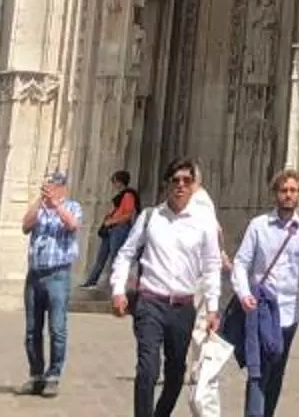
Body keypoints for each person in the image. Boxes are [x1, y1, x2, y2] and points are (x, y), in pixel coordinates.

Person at [111, 160, 226, 417]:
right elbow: (126, 253)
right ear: (167, 184)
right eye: (176, 180)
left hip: (183, 307)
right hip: (150, 302)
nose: (181, 186)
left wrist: (213, 308)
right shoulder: (150, 217)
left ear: (194, 186)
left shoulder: (204, 222)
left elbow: (211, 265)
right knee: (147, 370)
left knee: (175, 375)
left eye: (187, 180)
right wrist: (118, 289)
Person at [229, 168, 299, 417]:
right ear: (276, 194)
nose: (288, 195)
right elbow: (241, 262)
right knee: (258, 369)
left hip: (287, 314)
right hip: (261, 308)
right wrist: (244, 294)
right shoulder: (259, 226)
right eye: (284, 190)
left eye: (293, 191)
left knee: (276, 371)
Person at [22, 167, 86, 396]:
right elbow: (25, 226)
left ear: (63, 188)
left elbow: (72, 225)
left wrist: (56, 205)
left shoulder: (72, 207)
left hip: (58, 275)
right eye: (47, 185)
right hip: (35, 274)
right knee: (32, 329)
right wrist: (40, 202)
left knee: (57, 327)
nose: (50, 189)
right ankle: (36, 374)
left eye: (54, 185)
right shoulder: (39, 209)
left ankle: (54, 375)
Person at [87, 170, 140, 289]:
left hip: (119, 229)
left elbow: (128, 215)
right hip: (111, 229)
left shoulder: (128, 195)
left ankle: (114, 283)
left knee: (115, 257)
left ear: (120, 182)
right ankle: (91, 281)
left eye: (115, 182)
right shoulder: (120, 197)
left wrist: (112, 221)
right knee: (101, 256)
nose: (114, 185)